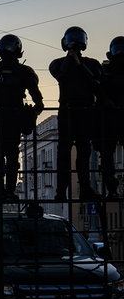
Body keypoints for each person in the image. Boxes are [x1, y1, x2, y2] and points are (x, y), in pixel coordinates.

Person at [0, 34, 44, 200]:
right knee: (12, 155)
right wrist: (36, 108)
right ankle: (9, 191)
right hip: (14, 119)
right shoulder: (23, 71)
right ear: (19, 50)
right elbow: (36, 94)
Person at [49, 26, 102, 201]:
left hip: (85, 111)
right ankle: (61, 192)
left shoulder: (92, 64)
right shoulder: (57, 63)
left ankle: (85, 188)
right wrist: (70, 59)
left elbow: (96, 84)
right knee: (64, 153)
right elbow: (61, 76)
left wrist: (78, 63)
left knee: (84, 152)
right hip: (68, 110)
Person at [93, 36, 124, 198]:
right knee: (106, 157)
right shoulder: (105, 72)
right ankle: (111, 188)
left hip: (109, 119)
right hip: (109, 119)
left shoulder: (105, 71)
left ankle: (111, 189)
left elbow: (99, 91)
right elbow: (100, 91)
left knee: (106, 157)